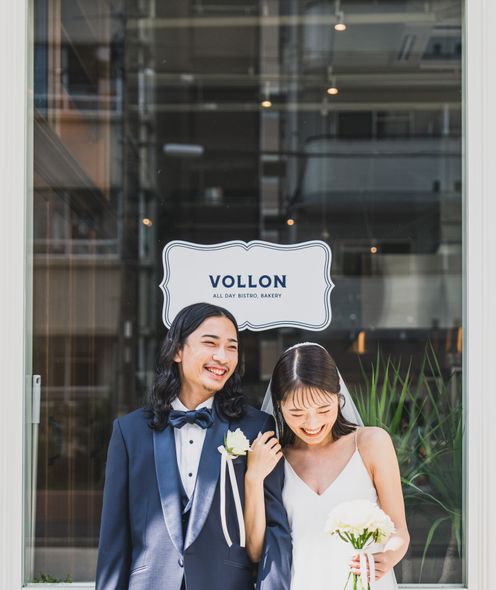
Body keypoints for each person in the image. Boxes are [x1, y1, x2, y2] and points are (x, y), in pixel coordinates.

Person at [96, 303, 291, 590]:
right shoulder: (129, 432)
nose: (222, 357)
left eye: (232, 347)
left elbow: (275, 534)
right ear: (177, 351)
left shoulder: (256, 427)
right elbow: (113, 540)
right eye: (210, 343)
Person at [244, 343, 410, 590]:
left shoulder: (372, 443)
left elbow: (399, 531)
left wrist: (386, 558)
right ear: (279, 405)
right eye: (297, 413)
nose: (312, 423)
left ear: (338, 397)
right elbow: (256, 551)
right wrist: (253, 479)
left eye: (323, 409)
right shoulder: (274, 458)